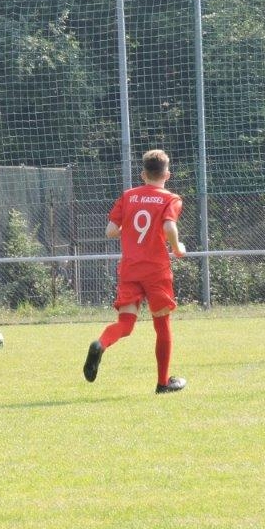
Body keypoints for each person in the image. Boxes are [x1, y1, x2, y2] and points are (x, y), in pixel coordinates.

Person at [83, 149, 188, 394]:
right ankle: (163, 383)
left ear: (143, 174)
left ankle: (101, 343)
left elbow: (110, 231)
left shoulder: (128, 196)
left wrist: (128, 230)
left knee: (126, 323)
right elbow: (169, 227)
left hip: (130, 269)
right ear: (167, 174)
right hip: (156, 271)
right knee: (162, 325)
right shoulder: (171, 199)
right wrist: (177, 248)